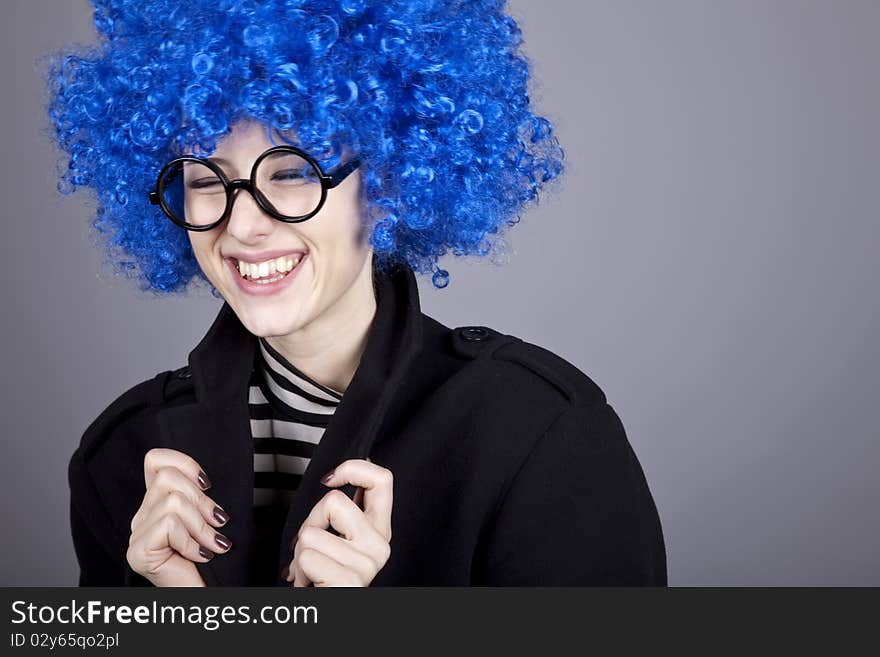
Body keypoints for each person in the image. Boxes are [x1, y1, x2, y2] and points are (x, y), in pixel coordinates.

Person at [48, 0, 667, 586]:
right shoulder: (128, 456)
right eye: (206, 179)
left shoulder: (537, 436)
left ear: (389, 181)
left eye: (292, 172)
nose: (241, 226)